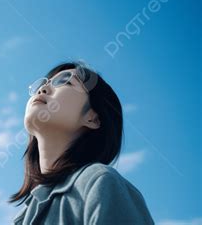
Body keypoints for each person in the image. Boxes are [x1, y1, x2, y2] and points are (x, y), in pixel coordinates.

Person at [9, 60, 155, 225]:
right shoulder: (22, 219)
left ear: (92, 118)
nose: (43, 89)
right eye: (43, 83)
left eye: (65, 81)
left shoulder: (99, 182)